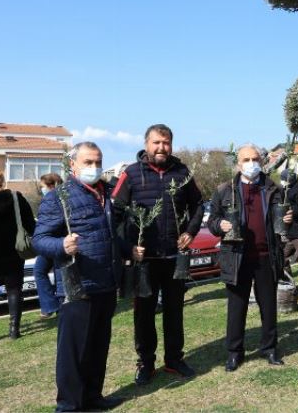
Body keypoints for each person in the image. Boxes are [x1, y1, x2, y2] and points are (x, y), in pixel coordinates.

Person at [33, 142, 144, 412]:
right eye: (88, 162)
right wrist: (61, 246)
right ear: (73, 165)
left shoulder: (105, 193)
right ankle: (69, 405)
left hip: (106, 283)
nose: (94, 167)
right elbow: (40, 239)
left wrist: (127, 249)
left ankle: (93, 396)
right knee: (73, 351)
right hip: (78, 285)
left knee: (98, 345)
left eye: (98, 162)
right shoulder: (59, 197)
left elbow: (106, 234)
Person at [112, 124, 204, 385]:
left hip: (174, 258)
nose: (161, 147)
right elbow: (115, 213)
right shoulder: (131, 174)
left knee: (175, 312)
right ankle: (146, 363)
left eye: (166, 143)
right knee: (144, 315)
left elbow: (198, 204)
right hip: (145, 261)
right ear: (146, 144)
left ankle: (174, 359)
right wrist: (127, 247)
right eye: (156, 143)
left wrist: (191, 231)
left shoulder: (182, 172)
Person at [207, 144, 288, 371]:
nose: (250, 164)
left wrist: (287, 219)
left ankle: (270, 349)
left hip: (266, 255)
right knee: (237, 306)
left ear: (261, 162)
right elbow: (211, 220)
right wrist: (218, 225)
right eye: (246, 159)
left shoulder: (272, 188)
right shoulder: (225, 190)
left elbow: (282, 218)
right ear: (238, 163)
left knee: (268, 305)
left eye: (254, 159)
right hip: (237, 256)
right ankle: (235, 352)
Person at [0, 169, 35, 344]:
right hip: (13, 253)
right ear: (2, 181)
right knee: (14, 291)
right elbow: (30, 225)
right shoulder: (16, 198)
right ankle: (14, 330)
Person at [34, 172, 64, 319]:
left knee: (54, 273)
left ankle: (52, 306)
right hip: (52, 242)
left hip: (54, 242)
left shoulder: (55, 199)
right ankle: (50, 305)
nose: (42, 190)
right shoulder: (55, 198)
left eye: (43, 187)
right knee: (40, 271)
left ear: (51, 185)